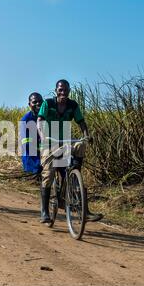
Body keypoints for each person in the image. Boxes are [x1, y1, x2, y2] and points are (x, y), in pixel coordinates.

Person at [37, 80, 103, 224]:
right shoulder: (48, 104)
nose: (63, 93)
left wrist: (86, 135)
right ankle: (44, 211)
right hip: (50, 142)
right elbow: (40, 120)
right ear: (56, 90)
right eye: (60, 90)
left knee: (80, 145)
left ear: (69, 91)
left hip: (65, 141)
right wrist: (43, 136)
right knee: (48, 175)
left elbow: (81, 122)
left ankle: (74, 175)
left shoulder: (73, 105)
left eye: (65, 90)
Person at [20, 92, 43, 175]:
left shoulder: (48, 116)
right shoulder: (25, 120)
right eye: (34, 102)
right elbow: (25, 143)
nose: (38, 104)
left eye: (40, 101)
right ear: (29, 104)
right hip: (31, 152)